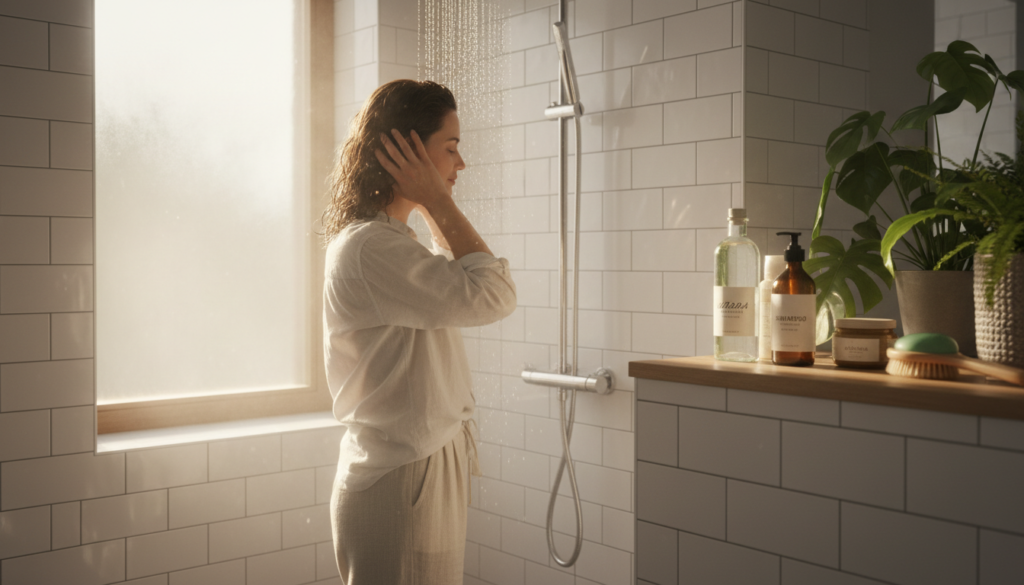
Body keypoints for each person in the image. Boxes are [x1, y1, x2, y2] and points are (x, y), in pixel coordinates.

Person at [321, 79, 516, 584]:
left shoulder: (394, 245)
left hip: (419, 467)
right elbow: (492, 294)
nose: (461, 165)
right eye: (450, 148)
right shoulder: (371, 249)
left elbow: (473, 285)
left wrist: (430, 204)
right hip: (404, 476)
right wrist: (436, 201)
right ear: (407, 150)